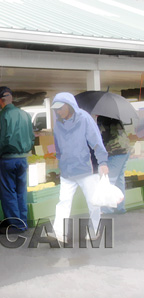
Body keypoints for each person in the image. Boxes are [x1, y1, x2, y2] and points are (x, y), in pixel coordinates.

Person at [51, 92, 109, 242]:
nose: (58, 111)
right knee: (63, 201)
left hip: (86, 169)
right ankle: (59, 233)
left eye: (60, 108)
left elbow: (96, 141)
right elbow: (58, 147)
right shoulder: (58, 124)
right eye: (55, 109)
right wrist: (60, 162)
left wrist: (102, 162)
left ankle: (94, 229)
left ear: (69, 106)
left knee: (93, 202)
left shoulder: (84, 119)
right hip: (67, 169)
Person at [0, 86, 35, 233]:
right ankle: (23, 222)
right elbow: (32, 138)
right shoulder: (26, 115)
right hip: (23, 158)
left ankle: (16, 225)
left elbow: (1, 139)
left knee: (8, 193)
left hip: (6, 159)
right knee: (21, 191)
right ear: (11, 97)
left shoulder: (1, 116)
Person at [96, 116, 131, 214]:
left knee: (109, 179)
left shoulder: (102, 119)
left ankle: (107, 209)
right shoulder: (115, 116)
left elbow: (101, 136)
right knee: (119, 178)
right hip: (125, 149)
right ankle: (120, 206)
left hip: (115, 150)